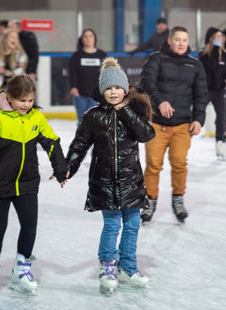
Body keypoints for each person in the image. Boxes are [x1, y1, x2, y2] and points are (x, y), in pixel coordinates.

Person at [0, 74, 68, 296]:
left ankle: (22, 268)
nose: (26, 105)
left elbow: (52, 143)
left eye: (30, 100)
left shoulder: (36, 118)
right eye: (22, 100)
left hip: (27, 183)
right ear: (10, 98)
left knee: (30, 225)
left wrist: (60, 169)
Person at [66, 57, 155, 296]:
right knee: (112, 225)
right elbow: (79, 146)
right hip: (104, 182)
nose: (113, 92)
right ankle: (107, 266)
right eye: (109, 88)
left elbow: (147, 134)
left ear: (125, 90)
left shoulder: (133, 111)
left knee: (133, 224)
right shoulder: (93, 116)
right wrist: (67, 168)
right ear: (102, 90)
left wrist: (126, 111)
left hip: (131, 181)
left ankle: (128, 265)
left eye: (117, 88)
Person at [140, 26, 208, 224]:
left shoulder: (194, 65)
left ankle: (178, 200)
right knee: (153, 166)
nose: (181, 43)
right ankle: (149, 201)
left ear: (188, 43)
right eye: (177, 39)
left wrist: (198, 119)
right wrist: (160, 100)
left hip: (182, 126)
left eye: (184, 40)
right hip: (156, 124)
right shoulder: (156, 58)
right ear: (169, 40)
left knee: (179, 164)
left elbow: (201, 95)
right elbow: (147, 82)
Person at [199, 27, 226, 160]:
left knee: (221, 119)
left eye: (221, 37)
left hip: (219, 91)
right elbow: (210, 67)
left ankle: (219, 143)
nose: (220, 39)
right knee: (197, 116)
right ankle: (185, 140)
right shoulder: (203, 55)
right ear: (211, 39)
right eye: (217, 37)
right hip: (205, 90)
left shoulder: (224, 55)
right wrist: (214, 51)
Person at [68, 29, 107, 124]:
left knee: (94, 121)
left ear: (94, 39)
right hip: (80, 94)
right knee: (82, 121)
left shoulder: (101, 55)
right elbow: (72, 73)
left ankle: (93, 139)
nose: (88, 38)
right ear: (82, 39)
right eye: (85, 36)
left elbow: (106, 73)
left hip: (96, 95)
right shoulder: (77, 55)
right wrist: (73, 87)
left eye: (90, 36)